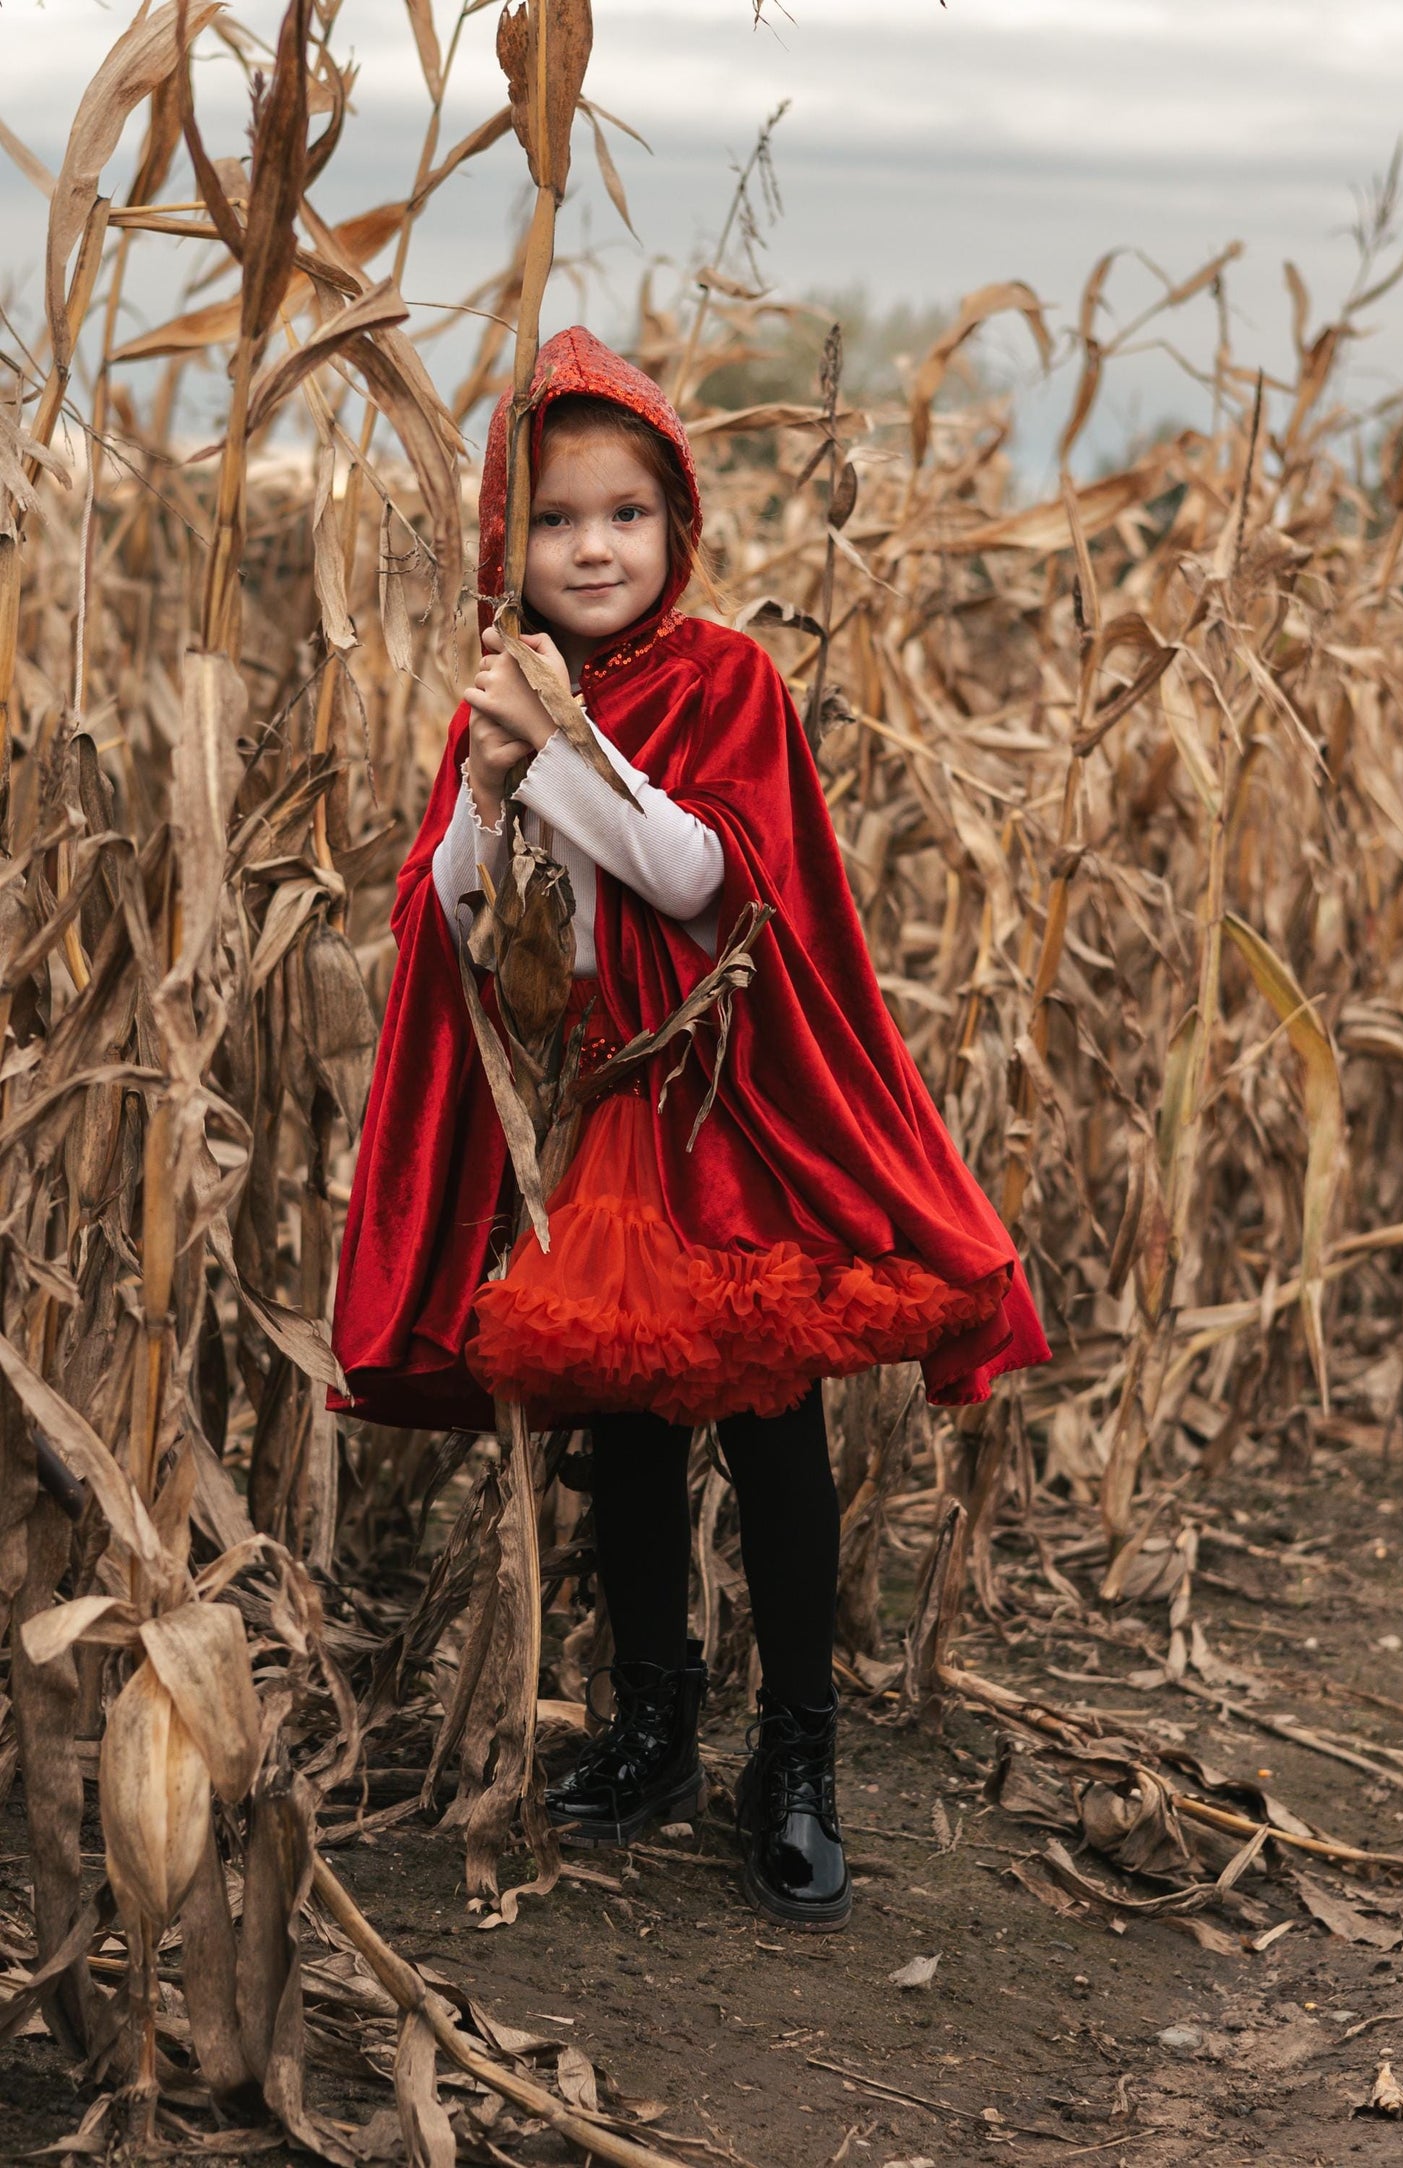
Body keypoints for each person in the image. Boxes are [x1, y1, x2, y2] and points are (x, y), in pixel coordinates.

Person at [331, 327, 1050, 1931]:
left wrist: (559, 753)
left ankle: (793, 1759)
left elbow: (697, 875)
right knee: (626, 1432)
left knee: (770, 1430)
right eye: (554, 521)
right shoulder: (499, 698)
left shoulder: (724, 680)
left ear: (677, 530)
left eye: (625, 515)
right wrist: (488, 783)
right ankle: (653, 1722)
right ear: (502, 544)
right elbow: (448, 915)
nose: (592, 548)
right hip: (586, 1111)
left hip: (724, 1107)